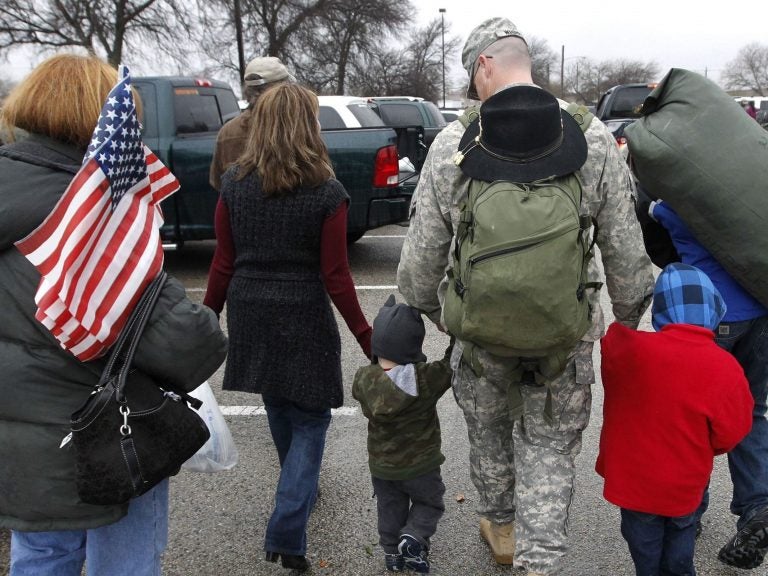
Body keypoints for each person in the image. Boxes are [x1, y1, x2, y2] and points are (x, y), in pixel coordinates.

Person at [397, 17, 655, 576]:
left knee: (489, 437)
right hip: (564, 336)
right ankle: (541, 563)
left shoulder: (453, 144)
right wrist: (627, 319)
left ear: (484, 64)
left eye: (472, 78)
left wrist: (445, 315)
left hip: (481, 337)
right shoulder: (591, 140)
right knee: (551, 448)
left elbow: (418, 269)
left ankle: (502, 533)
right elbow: (626, 254)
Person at [0, 54, 228, 576]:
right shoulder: (98, 216)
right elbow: (191, 348)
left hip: (16, 446)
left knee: (38, 559)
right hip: (110, 443)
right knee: (123, 564)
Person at [203, 82, 372, 572]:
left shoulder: (234, 182)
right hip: (302, 313)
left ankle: (295, 490)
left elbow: (223, 261)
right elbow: (336, 275)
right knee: (313, 419)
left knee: (279, 403)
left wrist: (206, 316)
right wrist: (366, 336)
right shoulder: (327, 191)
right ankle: (288, 521)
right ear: (309, 125)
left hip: (251, 310)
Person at [635, 187, 768, 570]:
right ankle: (758, 506)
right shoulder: (749, 180)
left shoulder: (683, 186)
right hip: (761, 307)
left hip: (710, 313)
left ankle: (687, 511)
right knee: (752, 410)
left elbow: (650, 222)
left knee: (692, 416)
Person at [597, 262, 753, 576]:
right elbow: (732, 432)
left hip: (635, 486)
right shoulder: (725, 368)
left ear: (661, 311)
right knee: (680, 549)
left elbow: (612, 335)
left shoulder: (629, 351)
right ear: (713, 309)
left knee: (644, 549)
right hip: (684, 485)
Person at [352, 295, 453, 573]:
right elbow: (450, 366)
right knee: (430, 502)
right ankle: (413, 537)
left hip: (383, 466)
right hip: (421, 464)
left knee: (389, 507)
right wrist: (456, 335)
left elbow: (359, 392)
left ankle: (392, 555)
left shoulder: (363, 378)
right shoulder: (425, 379)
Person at [209, 56, 295, 192]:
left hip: (239, 211)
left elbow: (217, 183)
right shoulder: (298, 127)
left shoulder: (227, 132)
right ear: (282, 90)